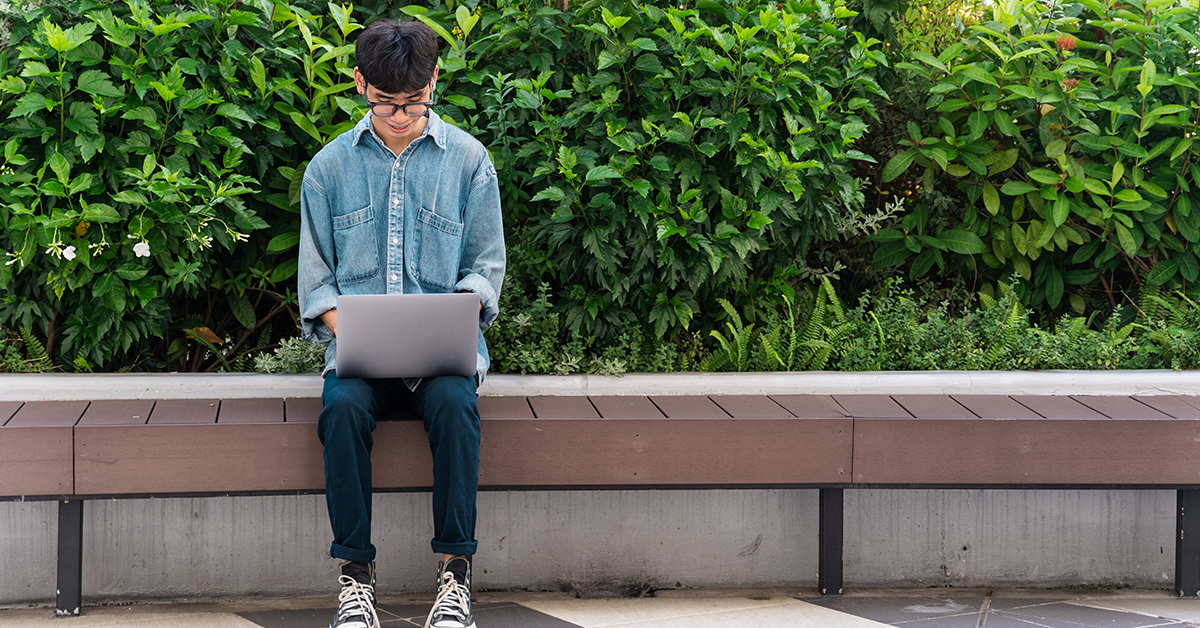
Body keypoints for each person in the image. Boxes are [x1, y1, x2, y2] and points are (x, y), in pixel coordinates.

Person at [297, 18, 505, 628]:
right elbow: (316, 283)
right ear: (359, 83)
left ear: (434, 80)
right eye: (384, 103)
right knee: (342, 412)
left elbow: (485, 267)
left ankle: (455, 577)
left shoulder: (469, 161)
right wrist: (354, 332)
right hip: (359, 357)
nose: (398, 116)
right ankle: (355, 578)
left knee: (455, 411)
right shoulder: (327, 169)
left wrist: (454, 315)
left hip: (442, 357)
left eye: (413, 104)